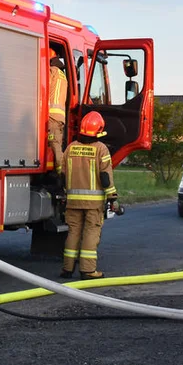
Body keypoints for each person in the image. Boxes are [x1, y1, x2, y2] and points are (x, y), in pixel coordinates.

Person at [59, 111, 117, 280]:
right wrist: (112, 196)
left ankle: (67, 269)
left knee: (73, 233)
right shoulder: (101, 149)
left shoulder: (70, 147)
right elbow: (105, 177)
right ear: (99, 130)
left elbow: (62, 174)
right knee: (91, 234)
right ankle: (88, 270)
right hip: (93, 204)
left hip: (72, 201)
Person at [46, 56, 68, 175]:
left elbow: (43, 86)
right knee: (57, 144)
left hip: (51, 115)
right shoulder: (63, 77)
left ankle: (62, 174)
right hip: (60, 117)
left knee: (54, 145)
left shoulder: (52, 71)